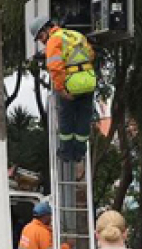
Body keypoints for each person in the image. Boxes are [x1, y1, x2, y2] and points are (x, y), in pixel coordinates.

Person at [30, 15, 96, 162]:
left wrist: (61, 89)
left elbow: (55, 67)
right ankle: (79, 152)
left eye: (40, 36)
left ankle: (66, 152)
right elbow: (91, 54)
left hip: (71, 85)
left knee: (66, 118)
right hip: (89, 81)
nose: (41, 40)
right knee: (84, 118)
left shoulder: (54, 40)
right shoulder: (76, 35)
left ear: (47, 29)